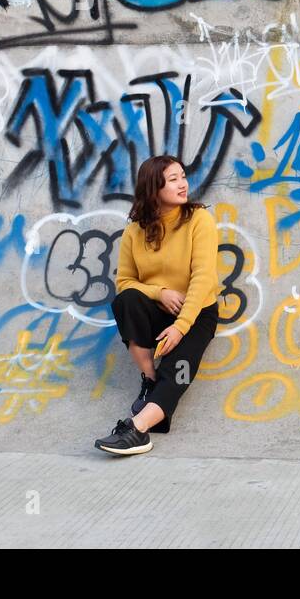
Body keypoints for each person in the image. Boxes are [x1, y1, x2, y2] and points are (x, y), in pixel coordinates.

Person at [94, 155, 220, 455]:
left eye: (183, 176)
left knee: (178, 370)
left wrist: (181, 326)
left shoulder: (198, 219)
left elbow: (203, 277)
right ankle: (149, 379)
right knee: (126, 301)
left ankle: (138, 429)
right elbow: (124, 281)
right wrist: (159, 292)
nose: (183, 184)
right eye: (173, 179)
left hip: (197, 311)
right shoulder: (135, 231)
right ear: (153, 187)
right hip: (156, 310)